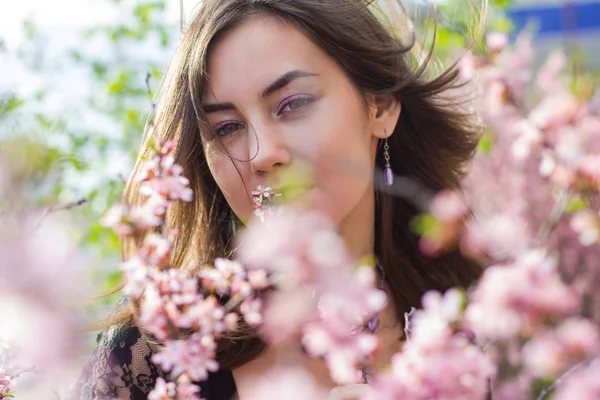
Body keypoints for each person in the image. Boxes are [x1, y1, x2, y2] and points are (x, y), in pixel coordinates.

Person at [73, 0, 484, 399]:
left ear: (379, 106)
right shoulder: (156, 351)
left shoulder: (483, 320)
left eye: (294, 104)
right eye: (227, 128)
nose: (263, 152)